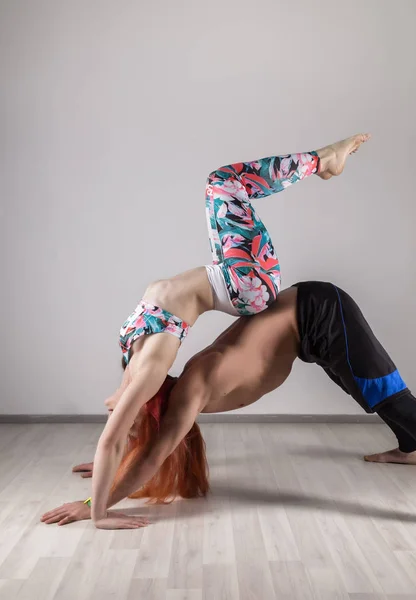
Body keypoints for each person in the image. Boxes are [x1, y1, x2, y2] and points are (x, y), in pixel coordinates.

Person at [43, 282, 416, 540]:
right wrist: (106, 469)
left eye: (135, 425)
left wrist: (93, 505)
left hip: (320, 313)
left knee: (392, 397)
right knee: (367, 393)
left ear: (152, 409)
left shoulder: (191, 392)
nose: (131, 427)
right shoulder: (180, 389)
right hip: (306, 330)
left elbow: (148, 456)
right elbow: (135, 441)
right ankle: (411, 448)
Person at [88, 135, 371, 529]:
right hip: (248, 283)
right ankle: (323, 161)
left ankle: (322, 162)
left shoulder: (134, 368)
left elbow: (117, 447)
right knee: (223, 182)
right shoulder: (150, 370)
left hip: (233, 275)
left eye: (128, 428)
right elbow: (119, 446)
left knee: (221, 184)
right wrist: (97, 511)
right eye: (133, 425)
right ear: (147, 409)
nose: (123, 424)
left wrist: (106, 473)